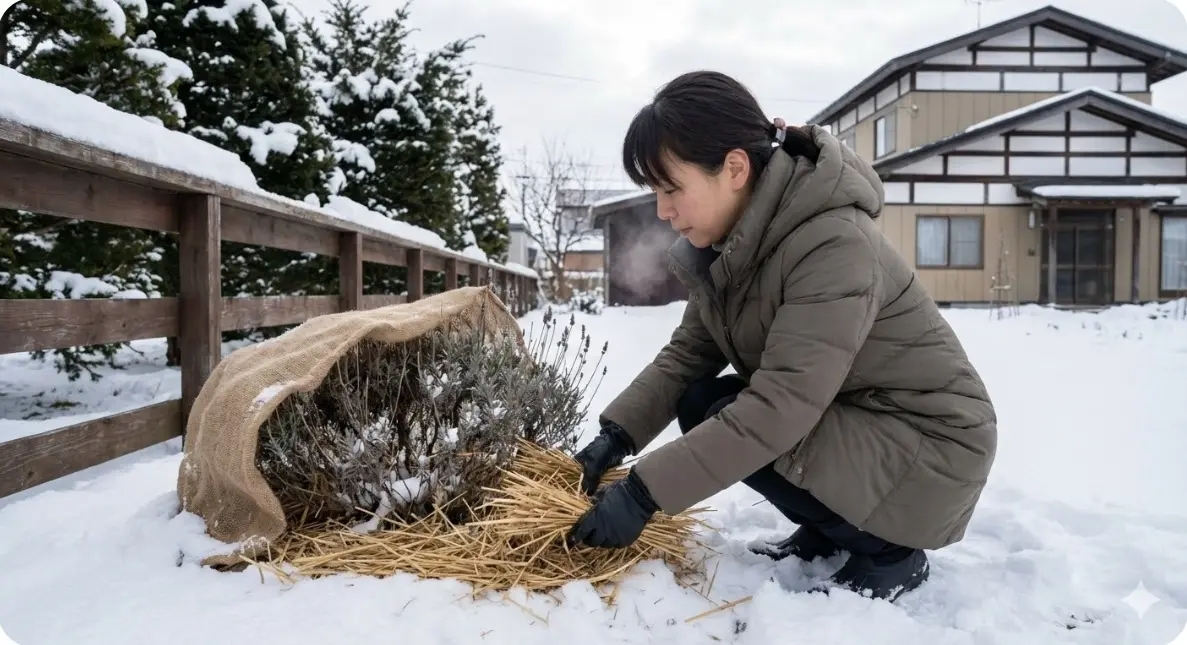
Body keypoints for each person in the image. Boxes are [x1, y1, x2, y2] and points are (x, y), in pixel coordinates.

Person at [565, 70, 998, 603]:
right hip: (864, 428)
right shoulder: (738, 246)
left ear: (734, 168)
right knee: (703, 400)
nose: (662, 210)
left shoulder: (831, 242)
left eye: (671, 187)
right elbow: (685, 359)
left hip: (931, 451)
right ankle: (831, 530)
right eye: (655, 191)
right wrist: (616, 438)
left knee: (753, 417)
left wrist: (643, 493)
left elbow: (782, 406)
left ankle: (890, 553)